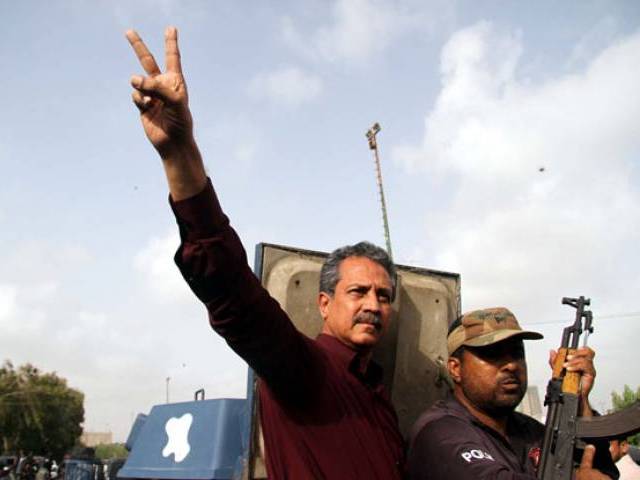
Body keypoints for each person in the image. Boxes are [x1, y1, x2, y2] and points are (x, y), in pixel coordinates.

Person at [125, 27, 404, 479]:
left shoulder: (380, 399)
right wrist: (180, 154)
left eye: (384, 295)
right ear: (324, 303)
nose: (373, 304)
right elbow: (235, 295)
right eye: (358, 291)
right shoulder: (305, 371)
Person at [407, 307, 617, 480]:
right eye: (493, 354)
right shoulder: (439, 432)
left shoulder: (530, 431)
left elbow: (601, 472)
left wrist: (578, 402)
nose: (511, 365)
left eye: (517, 354)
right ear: (455, 368)